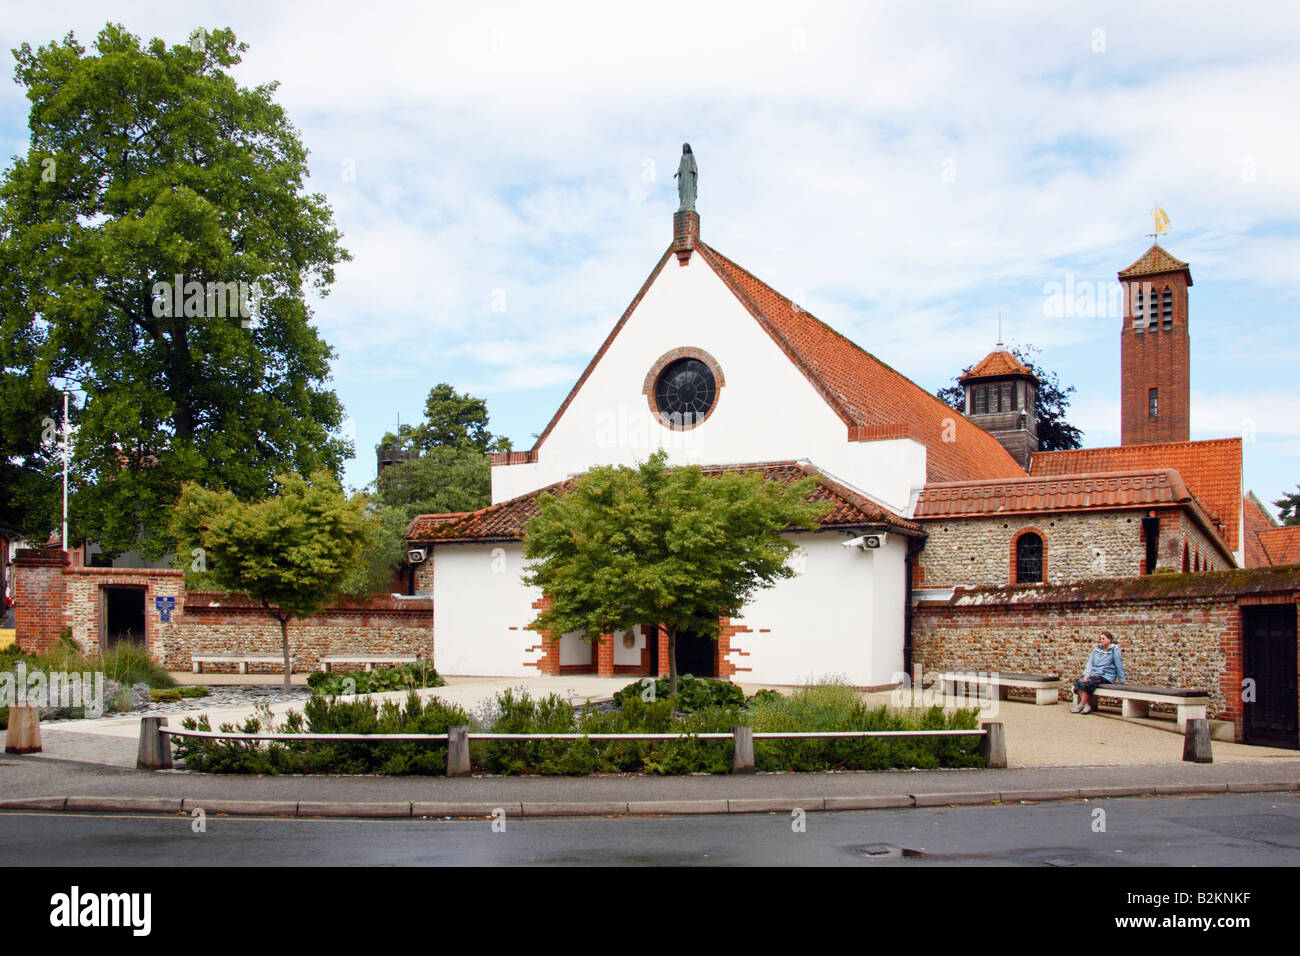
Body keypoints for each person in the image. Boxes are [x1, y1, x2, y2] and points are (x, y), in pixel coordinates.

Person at [1072, 631, 1126, 714]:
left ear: (1110, 640)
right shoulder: (1096, 649)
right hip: (1094, 674)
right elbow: (1090, 663)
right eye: (1100, 639)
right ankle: (1086, 705)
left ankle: (1081, 705)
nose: (1101, 640)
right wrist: (1087, 674)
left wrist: (1123, 680)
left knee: (1088, 682)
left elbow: (1119, 665)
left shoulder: (1114, 650)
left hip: (1106, 676)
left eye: (1103, 638)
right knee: (1079, 682)